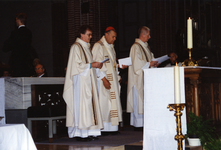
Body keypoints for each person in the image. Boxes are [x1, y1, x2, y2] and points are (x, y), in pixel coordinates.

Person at [63, 25, 104, 142]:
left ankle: (90, 132)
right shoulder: (76, 47)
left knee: (89, 107)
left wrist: (96, 65)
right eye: (88, 35)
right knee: (83, 106)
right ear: (81, 34)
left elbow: (88, 65)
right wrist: (92, 65)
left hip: (88, 82)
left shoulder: (86, 47)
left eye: (91, 35)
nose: (90, 37)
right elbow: (77, 66)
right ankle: (81, 133)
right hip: (80, 83)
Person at [92, 27, 125, 135]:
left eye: (115, 37)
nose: (114, 39)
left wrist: (118, 77)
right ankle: (104, 128)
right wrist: (104, 79)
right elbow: (96, 65)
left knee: (112, 104)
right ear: (106, 35)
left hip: (112, 81)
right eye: (113, 36)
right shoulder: (98, 46)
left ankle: (112, 128)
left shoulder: (110, 47)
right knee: (105, 104)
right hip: (103, 81)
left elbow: (113, 65)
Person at [127, 26, 158, 128]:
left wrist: (154, 63)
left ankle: (145, 123)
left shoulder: (145, 46)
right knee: (139, 101)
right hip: (138, 79)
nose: (149, 37)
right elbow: (137, 64)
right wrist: (149, 64)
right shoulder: (135, 47)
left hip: (146, 78)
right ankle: (138, 124)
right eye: (148, 35)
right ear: (142, 35)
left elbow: (150, 59)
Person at [2, 13, 35, 77]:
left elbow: (6, 47)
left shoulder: (15, 33)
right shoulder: (29, 32)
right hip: (26, 61)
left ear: (19, 20)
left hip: (17, 62)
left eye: (16, 20)